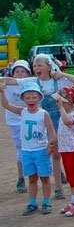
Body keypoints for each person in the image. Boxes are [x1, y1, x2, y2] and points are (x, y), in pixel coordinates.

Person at [1, 54, 74, 199]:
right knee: (50, 153)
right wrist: (2, 82)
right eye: (34, 66)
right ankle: (53, 188)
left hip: (61, 120)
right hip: (45, 121)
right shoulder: (33, 81)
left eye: (39, 65)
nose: (36, 68)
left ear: (49, 67)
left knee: (63, 154)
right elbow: (11, 80)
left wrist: (62, 74)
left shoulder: (58, 80)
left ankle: (60, 188)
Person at [0, 81, 57, 215]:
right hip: (27, 151)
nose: (31, 100)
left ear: (39, 98)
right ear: (23, 99)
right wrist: (2, 92)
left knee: (44, 178)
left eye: (34, 97)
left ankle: (46, 202)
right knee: (31, 178)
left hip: (40, 150)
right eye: (27, 97)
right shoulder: (23, 112)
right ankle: (32, 202)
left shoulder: (43, 114)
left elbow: (51, 131)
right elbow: (6, 105)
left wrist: (51, 144)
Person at [54, 86, 74, 217]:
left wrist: (61, 108)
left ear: (70, 102)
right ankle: (73, 202)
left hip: (73, 151)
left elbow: (68, 122)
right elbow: (62, 131)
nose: (59, 104)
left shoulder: (72, 115)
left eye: (63, 102)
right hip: (65, 150)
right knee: (71, 178)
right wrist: (53, 141)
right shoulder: (64, 115)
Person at [3, 60, 30, 192]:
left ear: (28, 74)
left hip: (31, 120)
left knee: (40, 146)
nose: (20, 74)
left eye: (23, 71)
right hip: (15, 121)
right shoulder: (7, 84)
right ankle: (21, 178)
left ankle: (56, 172)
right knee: (20, 150)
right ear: (12, 74)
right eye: (17, 72)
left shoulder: (31, 84)